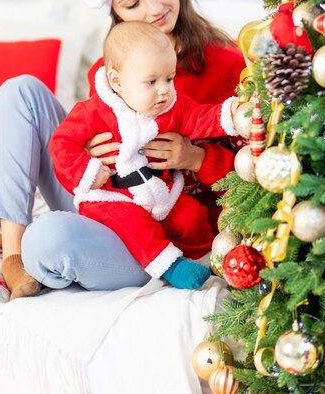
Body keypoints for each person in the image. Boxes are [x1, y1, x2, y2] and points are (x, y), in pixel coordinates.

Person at [0, 0, 245, 300]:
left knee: (50, 239)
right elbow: (82, 146)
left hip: (174, 228)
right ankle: (12, 256)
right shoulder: (105, 78)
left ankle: (42, 242)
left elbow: (255, 172)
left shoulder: (227, 63)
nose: (154, 8)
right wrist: (83, 156)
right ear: (115, 13)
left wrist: (193, 157)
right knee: (19, 92)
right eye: (132, 3)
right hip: (105, 198)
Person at [49, 20, 240, 290]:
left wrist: (231, 114)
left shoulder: (170, 106)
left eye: (169, 78)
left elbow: (200, 118)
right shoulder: (93, 112)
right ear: (117, 81)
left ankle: (205, 261)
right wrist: (87, 171)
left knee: (190, 215)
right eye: (151, 81)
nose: (164, 89)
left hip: (159, 192)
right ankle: (169, 267)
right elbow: (61, 143)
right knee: (134, 224)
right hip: (112, 197)